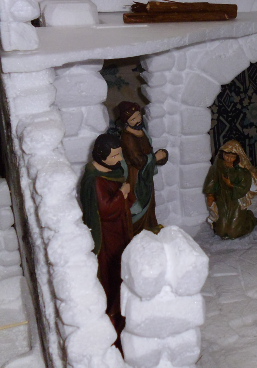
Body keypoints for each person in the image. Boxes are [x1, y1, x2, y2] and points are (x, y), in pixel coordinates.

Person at [79, 133, 132, 337]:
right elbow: (105, 210)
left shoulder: (112, 171)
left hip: (119, 228)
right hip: (108, 234)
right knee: (112, 269)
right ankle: (113, 311)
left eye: (120, 154)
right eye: (115, 156)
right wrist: (122, 193)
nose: (120, 159)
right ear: (101, 156)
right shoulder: (95, 180)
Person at [117, 101, 168, 235]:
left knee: (150, 201)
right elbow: (137, 160)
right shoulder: (127, 137)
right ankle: (136, 231)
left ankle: (150, 225)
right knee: (139, 201)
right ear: (126, 121)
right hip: (136, 176)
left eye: (138, 115)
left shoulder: (141, 131)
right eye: (133, 119)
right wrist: (155, 157)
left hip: (146, 173)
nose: (138, 120)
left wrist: (159, 156)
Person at [203, 140, 257, 239]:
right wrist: (210, 195)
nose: (229, 159)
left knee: (233, 232)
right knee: (221, 231)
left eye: (232, 156)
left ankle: (249, 218)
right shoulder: (217, 168)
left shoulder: (242, 170)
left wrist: (231, 185)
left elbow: (244, 186)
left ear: (237, 157)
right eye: (227, 155)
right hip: (222, 199)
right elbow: (211, 182)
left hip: (236, 200)